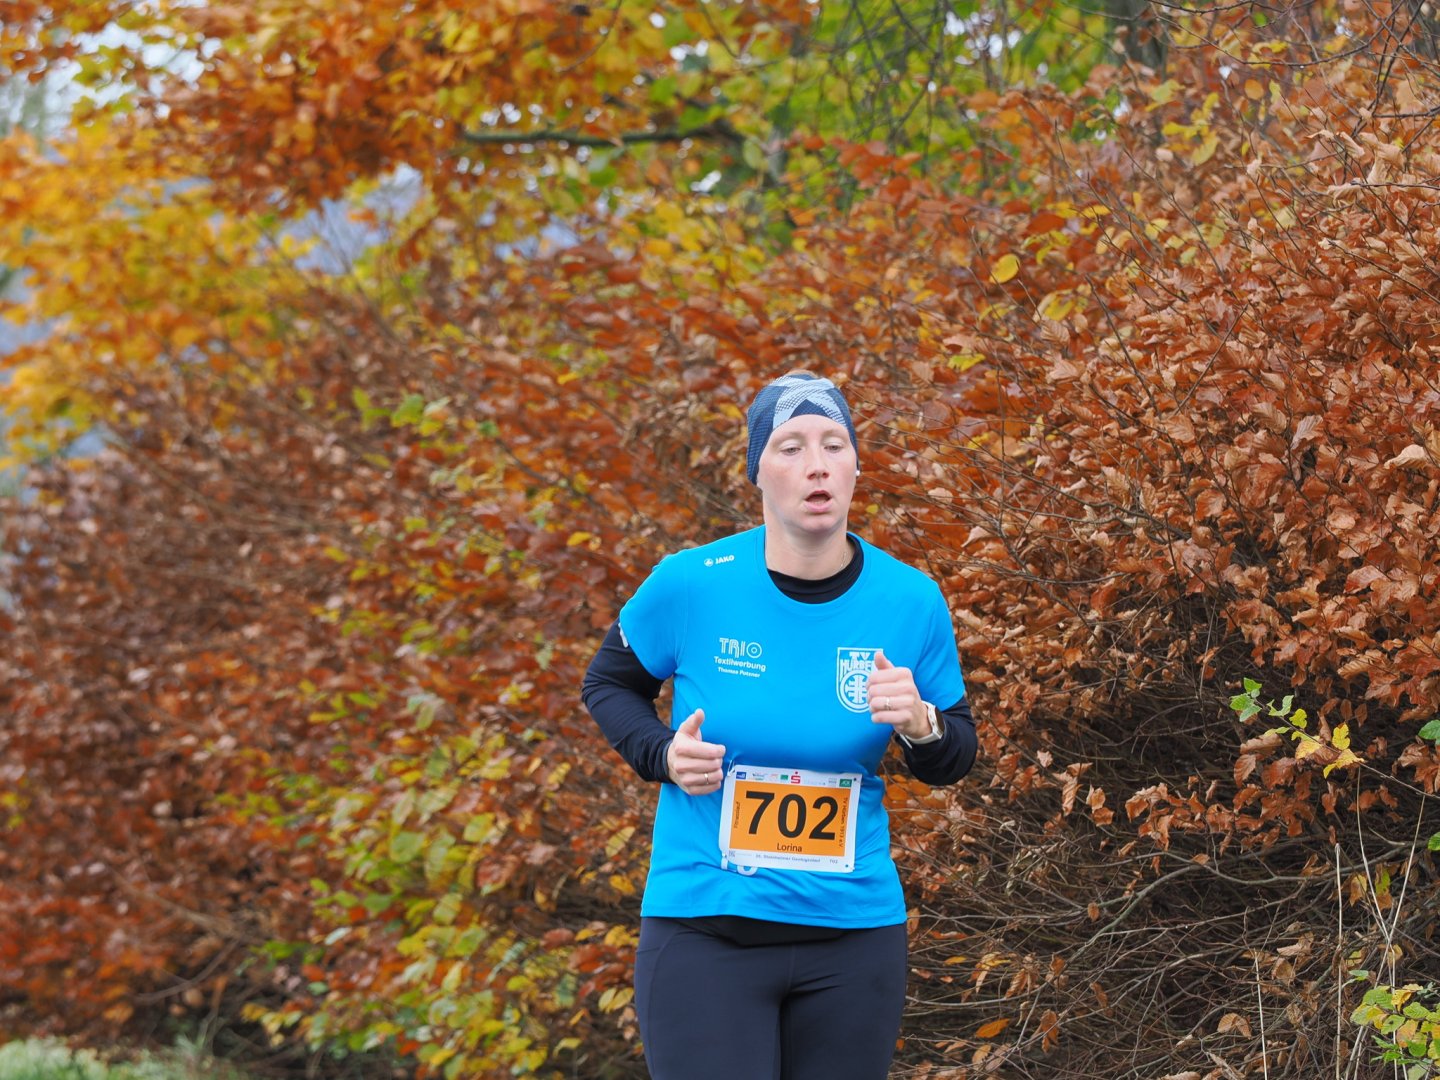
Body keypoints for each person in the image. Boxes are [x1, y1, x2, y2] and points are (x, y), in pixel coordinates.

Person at [581, 371, 977, 1080]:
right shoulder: (691, 582)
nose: (816, 465)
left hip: (853, 935)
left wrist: (922, 725)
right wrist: (662, 753)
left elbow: (955, 751)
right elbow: (609, 683)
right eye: (790, 447)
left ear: (855, 467)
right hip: (706, 926)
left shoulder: (911, 600)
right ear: (757, 471)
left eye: (834, 445)